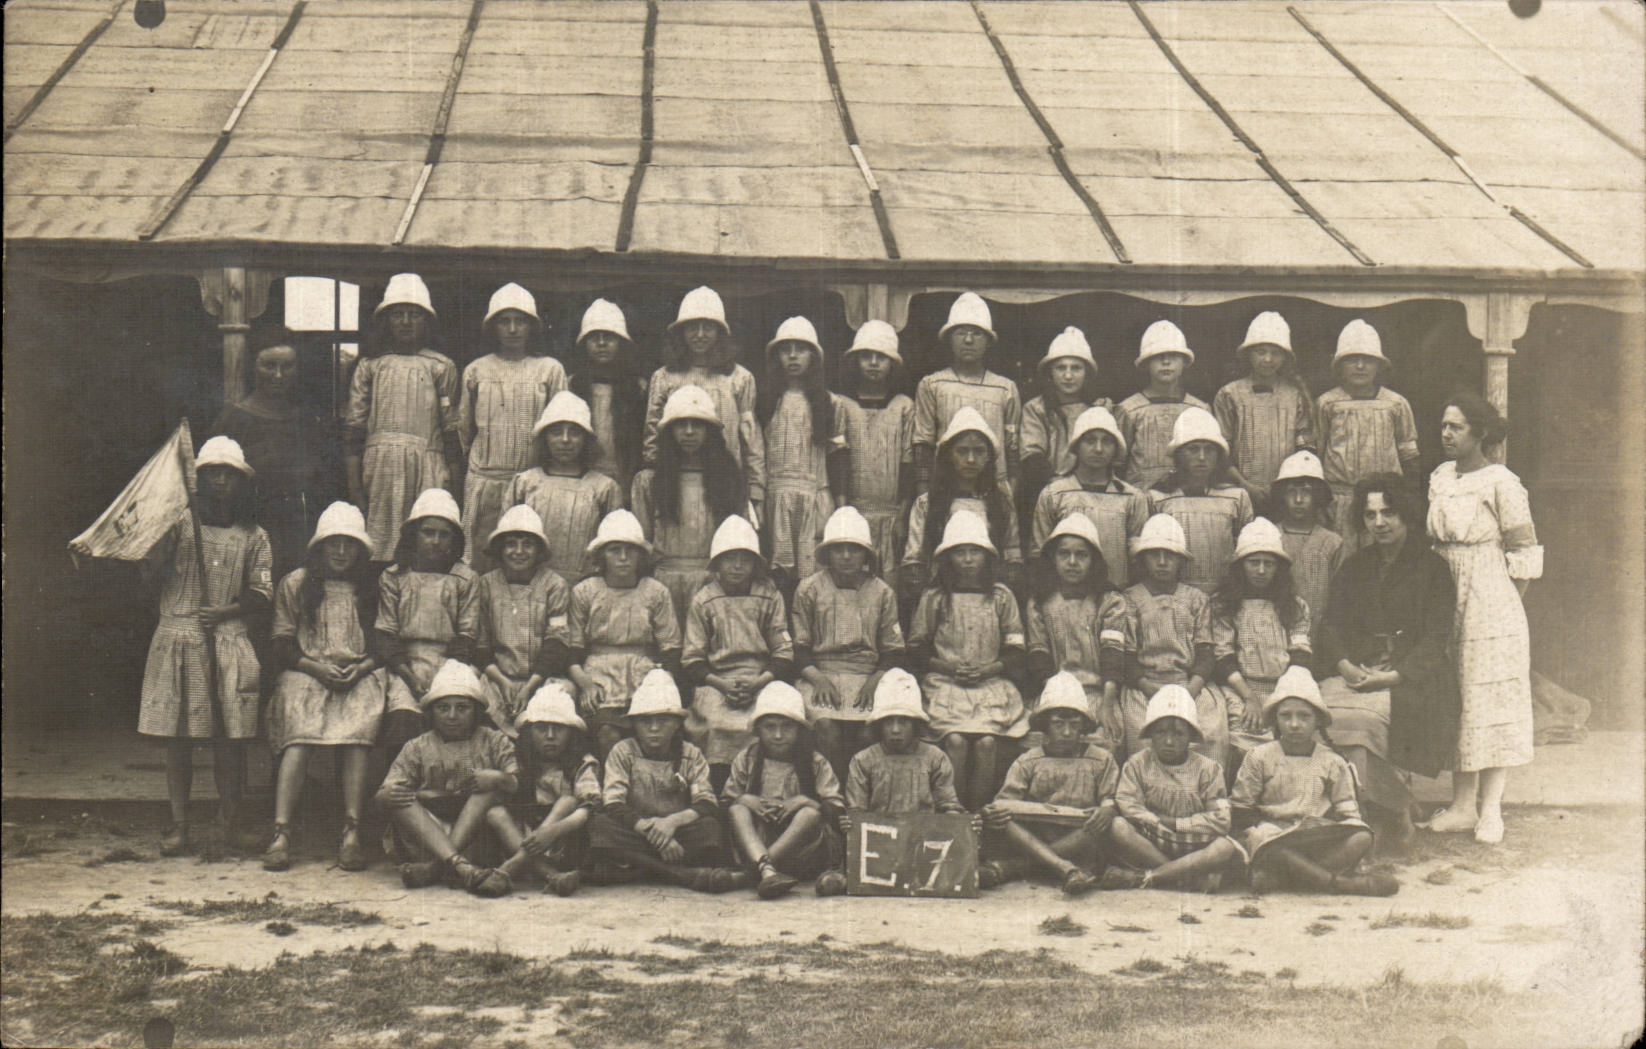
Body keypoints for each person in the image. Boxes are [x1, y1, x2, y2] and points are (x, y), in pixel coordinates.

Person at [138, 436, 272, 856]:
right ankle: (179, 825)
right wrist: (156, 550)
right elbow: (150, 578)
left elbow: (263, 594)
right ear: (197, 480)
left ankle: (229, 825)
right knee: (178, 740)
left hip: (227, 642)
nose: (219, 481)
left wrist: (227, 611)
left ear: (240, 482)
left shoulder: (253, 535)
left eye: (227, 474)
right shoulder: (176, 525)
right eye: (211, 472)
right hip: (179, 639)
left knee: (230, 741)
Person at [1317, 476, 1458, 851]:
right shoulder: (1355, 566)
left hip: (1409, 678)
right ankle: (1393, 807)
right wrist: (1345, 665)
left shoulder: (1433, 569)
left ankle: (1377, 817)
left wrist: (1394, 675)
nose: (1379, 523)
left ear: (1407, 514)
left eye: (1389, 513)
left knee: (1359, 724)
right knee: (1320, 716)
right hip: (1358, 671)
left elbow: (1435, 638)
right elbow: (1330, 625)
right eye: (1370, 514)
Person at [1425, 392, 1541, 845]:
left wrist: (1502, 606)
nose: (1447, 434)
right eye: (1444, 426)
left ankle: (1491, 809)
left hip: (1490, 598)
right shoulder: (1440, 478)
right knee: (1457, 697)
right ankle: (1460, 805)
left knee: (1489, 700)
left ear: (1481, 432)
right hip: (1444, 591)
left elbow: (1524, 553)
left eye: (1456, 426)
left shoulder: (1502, 482)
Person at [263, 502, 384, 873]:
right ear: (319, 547)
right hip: (307, 671)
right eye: (334, 543)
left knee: (358, 737)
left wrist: (361, 667)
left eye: (350, 544)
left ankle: (352, 831)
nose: (342, 552)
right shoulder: (297, 583)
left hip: (358, 673)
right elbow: (281, 643)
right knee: (299, 736)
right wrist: (315, 668)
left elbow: (383, 643)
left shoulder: (371, 588)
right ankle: (281, 831)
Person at [1230, 667, 1398, 896]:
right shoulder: (1260, 756)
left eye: (1304, 716)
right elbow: (1241, 808)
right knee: (1265, 839)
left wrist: (1327, 826)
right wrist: (1266, 827)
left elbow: (1347, 810)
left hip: (1313, 836)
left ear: (1318, 720)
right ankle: (1335, 883)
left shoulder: (1331, 761)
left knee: (1361, 835)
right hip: (1274, 837)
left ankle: (1289, 876)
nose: (1295, 724)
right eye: (1285, 716)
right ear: (1275, 719)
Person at [587, 669, 749, 893]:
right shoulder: (623, 751)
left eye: (663, 721)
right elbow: (613, 803)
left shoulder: (690, 753)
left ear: (676, 724)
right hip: (637, 829)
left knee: (710, 829)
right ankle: (681, 875)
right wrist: (651, 831)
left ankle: (635, 869)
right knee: (601, 826)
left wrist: (670, 823)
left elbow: (706, 801)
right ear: (634, 724)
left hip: (677, 830)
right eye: (646, 721)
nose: (654, 729)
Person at [908, 511, 1028, 810]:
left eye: (974, 551)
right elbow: (917, 647)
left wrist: (990, 669)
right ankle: (954, 811)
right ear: (948, 558)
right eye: (960, 552)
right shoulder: (935, 597)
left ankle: (979, 816)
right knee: (956, 743)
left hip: (989, 684)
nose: (968, 559)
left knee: (987, 744)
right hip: (946, 684)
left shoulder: (1001, 597)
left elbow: (1015, 648)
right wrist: (948, 667)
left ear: (987, 556)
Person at [345, 273, 462, 563]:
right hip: (381, 467)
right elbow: (354, 429)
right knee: (380, 547)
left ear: (427, 321)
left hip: (427, 465)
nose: (406, 322)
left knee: (424, 545)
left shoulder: (441, 366)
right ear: (386, 321)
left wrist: (456, 485)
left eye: (414, 315)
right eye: (398, 315)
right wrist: (355, 488)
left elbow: (450, 430)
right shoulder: (371, 366)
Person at [375, 659, 516, 898]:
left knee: (487, 793)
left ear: (476, 711)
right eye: (443, 708)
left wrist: (499, 778)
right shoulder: (417, 747)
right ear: (432, 712)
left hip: (476, 838)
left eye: (462, 708)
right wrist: (386, 795)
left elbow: (517, 784)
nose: (452, 716)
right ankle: (459, 866)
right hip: (428, 837)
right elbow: (383, 795)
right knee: (400, 798)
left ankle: (440, 868)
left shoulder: (494, 741)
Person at [211, 327, 339, 577]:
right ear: (253, 366)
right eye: (269, 366)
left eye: (287, 366)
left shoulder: (310, 420)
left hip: (301, 529)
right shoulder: (233, 420)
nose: (278, 375)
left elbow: (325, 479)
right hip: (250, 527)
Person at [457, 282, 568, 573]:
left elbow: (561, 424)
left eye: (520, 321)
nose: (513, 329)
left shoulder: (549, 370)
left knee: (527, 562)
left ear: (532, 327)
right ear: (493, 327)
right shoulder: (477, 370)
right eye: (505, 321)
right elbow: (464, 431)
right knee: (481, 561)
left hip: (531, 483)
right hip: (484, 482)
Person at [977, 672, 1118, 896]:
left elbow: (1109, 797)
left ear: (1084, 726)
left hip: (1078, 838)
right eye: (1058, 724)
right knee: (1004, 820)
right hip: (1035, 836)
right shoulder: (1030, 760)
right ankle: (1064, 868)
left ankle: (1015, 868)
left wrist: (1106, 810)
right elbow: (1006, 801)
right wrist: (993, 813)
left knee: (1103, 826)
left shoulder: (1101, 759)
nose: (1067, 732)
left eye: (1074, 724)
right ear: (1045, 726)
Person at [833, 668, 970, 896]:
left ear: (916, 725)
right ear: (879, 725)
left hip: (922, 842)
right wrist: (851, 822)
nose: (895, 730)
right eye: (889, 722)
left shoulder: (935, 758)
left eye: (904, 722)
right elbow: (857, 811)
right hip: (880, 844)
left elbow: (948, 805)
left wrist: (962, 825)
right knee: (838, 879)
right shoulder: (863, 760)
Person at [792, 506, 905, 782]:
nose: (845, 556)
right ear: (827, 553)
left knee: (868, 731)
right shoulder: (809, 589)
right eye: (838, 548)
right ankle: (832, 797)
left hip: (867, 677)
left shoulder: (882, 592)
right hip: (820, 674)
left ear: (865, 554)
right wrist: (818, 679)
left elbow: (893, 650)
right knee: (826, 727)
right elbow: (799, 648)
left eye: (853, 549)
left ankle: (861, 800)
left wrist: (875, 680)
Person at [682, 516, 795, 785]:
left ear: (755, 564)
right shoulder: (704, 600)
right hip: (717, 681)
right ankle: (717, 791)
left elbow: (783, 651)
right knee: (714, 725)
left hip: (762, 679)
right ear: (717, 563)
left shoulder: (769, 596)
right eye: (729, 558)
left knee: (764, 724)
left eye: (744, 558)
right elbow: (692, 658)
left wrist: (759, 682)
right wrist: (721, 684)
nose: (736, 566)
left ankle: (761, 788)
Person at [565, 510, 682, 759]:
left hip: (645, 673)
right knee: (607, 733)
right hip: (598, 675)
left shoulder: (655, 592)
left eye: (630, 551)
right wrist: (585, 685)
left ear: (640, 556)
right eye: (614, 550)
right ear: (601, 555)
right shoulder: (585, 592)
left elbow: (671, 648)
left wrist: (660, 684)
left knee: (651, 733)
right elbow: (572, 652)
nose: (623, 558)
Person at [374, 488, 480, 763]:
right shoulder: (394, 577)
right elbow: (386, 631)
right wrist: (409, 675)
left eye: (444, 535)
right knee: (402, 718)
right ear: (414, 535)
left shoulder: (465, 579)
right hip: (405, 664)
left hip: (451, 663)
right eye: (428, 532)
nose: (435, 541)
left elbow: (467, 634)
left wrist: (445, 675)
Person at [632, 384, 753, 626]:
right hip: (662, 584)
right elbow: (641, 543)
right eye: (681, 425)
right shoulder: (649, 481)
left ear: (710, 431)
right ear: (669, 431)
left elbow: (738, 539)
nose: (689, 432)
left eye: (697, 425)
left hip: (713, 585)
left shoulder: (728, 479)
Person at [1106, 684, 1244, 891]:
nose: (1169, 741)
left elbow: (1221, 819)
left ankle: (1151, 876)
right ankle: (1184, 878)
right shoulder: (1137, 764)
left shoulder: (1208, 769)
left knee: (1224, 847)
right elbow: (1129, 805)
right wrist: (1156, 822)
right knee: (1118, 826)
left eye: (1179, 734)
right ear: (1151, 734)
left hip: (1194, 843)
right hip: (1152, 840)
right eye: (1161, 732)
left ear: (1190, 737)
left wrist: (1176, 823)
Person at [642, 287, 765, 516]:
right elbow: (653, 433)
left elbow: (750, 438)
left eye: (707, 327)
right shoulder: (664, 377)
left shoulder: (739, 378)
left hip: (726, 484)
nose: (699, 334)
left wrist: (756, 489)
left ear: (720, 332)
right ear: (681, 332)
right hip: (677, 486)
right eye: (692, 327)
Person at [723, 682, 845, 899]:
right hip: (757, 843)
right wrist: (745, 799)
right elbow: (725, 803)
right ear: (758, 729)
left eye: (786, 727)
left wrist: (805, 802)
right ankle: (767, 870)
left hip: (801, 849)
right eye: (770, 727)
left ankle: (756, 872)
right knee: (737, 810)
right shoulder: (748, 758)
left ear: (799, 730)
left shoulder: (815, 762)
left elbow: (836, 808)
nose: (778, 735)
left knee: (809, 814)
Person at [757, 316, 850, 594]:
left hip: (815, 495)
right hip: (776, 499)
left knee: (812, 577)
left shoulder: (830, 403)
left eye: (801, 349)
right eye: (786, 349)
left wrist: (841, 506)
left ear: (814, 357)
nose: (794, 356)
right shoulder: (766, 401)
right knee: (778, 573)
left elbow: (837, 458)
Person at [1211, 518, 1313, 770]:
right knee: (1246, 743)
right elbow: (1223, 657)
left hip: (1284, 688)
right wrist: (1250, 699)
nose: (1261, 570)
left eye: (1269, 564)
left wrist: (1285, 696)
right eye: (1253, 562)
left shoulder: (1295, 606)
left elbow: (1300, 652)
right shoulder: (1224, 605)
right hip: (1241, 689)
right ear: (1240, 566)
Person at [1024, 513, 1127, 749]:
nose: (1072, 562)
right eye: (1064, 554)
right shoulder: (1040, 601)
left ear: (1094, 560)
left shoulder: (1110, 601)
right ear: (1053, 559)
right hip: (1052, 691)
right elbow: (1038, 655)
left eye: (1081, 555)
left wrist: (1108, 706)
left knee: (1104, 741)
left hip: (1097, 693)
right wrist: (1056, 699)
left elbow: (1113, 655)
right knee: (1037, 742)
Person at [1118, 514, 1215, 763]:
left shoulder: (1196, 599)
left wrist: (1191, 688)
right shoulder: (1128, 599)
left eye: (1170, 555)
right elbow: (1126, 656)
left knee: (1211, 732)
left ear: (1180, 561)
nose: (1162, 562)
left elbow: (1205, 651)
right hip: (1145, 686)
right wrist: (1147, 686)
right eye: (1154, 555)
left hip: (1188, 683)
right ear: (1143, 559)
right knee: (1141, 737)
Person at [901, 408, 1022, 605]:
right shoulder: (927, 504)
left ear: (989, 457)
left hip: (990, 602)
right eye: (962, 451)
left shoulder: (1001, 503)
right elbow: (914, 561)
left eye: (979, 451)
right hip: (940, 600)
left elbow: (1012, 557)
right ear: (949, 455)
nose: (971, 460)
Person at [502, 390, 624, 583]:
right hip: (535, 585)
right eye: (556, 432)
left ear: (586, 439)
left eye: (574, 433)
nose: (565, 440)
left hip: (585, 584)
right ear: (545, 438)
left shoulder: (604, 488)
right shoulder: (525, 483)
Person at [493, 683, 600, 895]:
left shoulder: (582, 763)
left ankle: (511, 868)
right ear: (529, 733)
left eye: (558, 729)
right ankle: (550, 875)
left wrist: (551, 831)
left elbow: (589, 806)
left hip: (564, 837)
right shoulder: (519, 761)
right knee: (494, 813)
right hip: (524, 836)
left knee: (567, 801)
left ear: (572, 733)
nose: (550, 736)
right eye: (541, 728)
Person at [474, 505, 573, 736]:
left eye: (527, 544)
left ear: (539, 550)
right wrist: (503, 682)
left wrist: (531, 685)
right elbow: (480, 642)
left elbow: (556, 642)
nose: (519, 551)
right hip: (497, 678)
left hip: (541, 678)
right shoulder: (486, 585)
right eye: (511, 544)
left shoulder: (554, 585)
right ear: (500, 549)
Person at [1316, 319, 1420, 536]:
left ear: (1379, 366)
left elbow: (1409, 456)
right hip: (1340, 500)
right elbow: (1317, 453)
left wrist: (1406, 499)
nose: (1360, 366)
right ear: (1340, 366)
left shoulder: (1396, 404)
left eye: (1368, 360)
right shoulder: (1327, 403)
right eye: (1352, 360)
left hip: (1385, 502)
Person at [1030, 406, 1151, 589]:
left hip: (1117, 598)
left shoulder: (1132, 498)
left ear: (1116, 448)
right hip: (1066, 598)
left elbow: (1138, 558)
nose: (1099, 449)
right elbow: (1040, 553)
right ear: (1077, 446)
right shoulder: (1054, 494)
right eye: (1090, 441)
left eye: (1107, 442)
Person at [911, 292, 1021, 490]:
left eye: (977, 333)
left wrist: (1009, 490)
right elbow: (923, 444)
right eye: (961, 333)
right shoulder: (932, 385)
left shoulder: (1005, 388)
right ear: (949, 339)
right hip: (945, 489)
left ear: (988, 341)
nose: (968, 340)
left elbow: (1012, 447)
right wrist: (924, 494)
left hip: (994, 490)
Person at [835, 320, 915, 586]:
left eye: (880, 357)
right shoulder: (842, 405)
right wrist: (843, 511)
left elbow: (908, 463)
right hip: (855, 511)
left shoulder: (903, 406)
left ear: (892, 363)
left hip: (891, 515)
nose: (872, 363)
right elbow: (839, 460)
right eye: (866, 356)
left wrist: (902, 515)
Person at [1212, 311, 1316, 507]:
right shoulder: (1229, 395)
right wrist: (1245, 485)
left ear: (1285, 357)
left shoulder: (1294, 396)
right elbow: (1220, 451)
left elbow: (1305, 448)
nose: (1268, 359)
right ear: (1249, 354)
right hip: (1239, 492)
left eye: (1275, 353)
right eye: (1261, 352)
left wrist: (1287, 486)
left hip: (1286, 496)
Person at [1149, 406, 1254, 593]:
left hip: (1223, 595)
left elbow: (1246, 552)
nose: (1202, 457)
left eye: (1209, 450)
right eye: (1193, 450)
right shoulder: (1159, 498)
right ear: (1179, 454)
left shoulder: (1236, 497)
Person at [1019, 326, 1110, 521]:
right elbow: (1032, 455)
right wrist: (1061, 488)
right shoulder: (1037, 408)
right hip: (1049, 493)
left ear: (1087, 373)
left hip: (1092, 491)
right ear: (1050, 373)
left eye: (1076, 368)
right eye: (1061, 368)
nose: (1068, 376)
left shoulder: (1098, 409)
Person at [1117, 320, 1210, 490]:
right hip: (1141, 497)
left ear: (1184, 362)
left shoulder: (1199, 409)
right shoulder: (1129, 410)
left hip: (1184, 499)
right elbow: (1117, 462)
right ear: (1146, 363)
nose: (1166, 362)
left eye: (1173, 356)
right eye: (1158, 357)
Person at [1270, 451, 1345, 653]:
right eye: (1291, 492)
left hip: (1320, 640)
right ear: (1282, 495)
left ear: (1318, 496)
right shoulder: (1270, 536)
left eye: (1306, 492)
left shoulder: (1332, 543)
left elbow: (1340, 601)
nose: (1299, 499)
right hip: (1274, 639)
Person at [567, 298, 646, 491]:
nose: (601, 343)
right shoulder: (571, 385)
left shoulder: (638, 387)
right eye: (595, 338)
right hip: (582, 477)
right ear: (584, 344)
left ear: (621, 342)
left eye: (608, 337)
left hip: (623, 478)